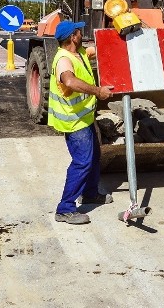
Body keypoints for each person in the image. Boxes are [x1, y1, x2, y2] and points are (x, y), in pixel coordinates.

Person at [49, 20, 115, 224]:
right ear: (72, 37)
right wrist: (98, 91)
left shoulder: (79, 54)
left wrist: (117, 34)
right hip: (74, 121)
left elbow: (94, 50)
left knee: (94, 157)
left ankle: (90, 193)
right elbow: (69, 81)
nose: (81, 34)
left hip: (84, 117)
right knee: (82, 162)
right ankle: (65, 208)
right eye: (79, 32)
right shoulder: (63, 60)